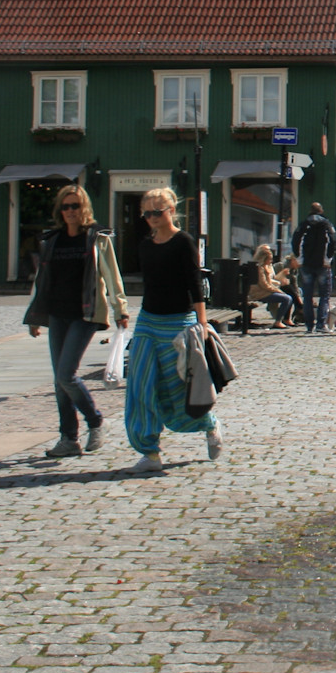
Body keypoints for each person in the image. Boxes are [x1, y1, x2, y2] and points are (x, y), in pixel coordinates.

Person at [24, 184, 128, 458]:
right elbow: (43, 280)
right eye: (66, 206)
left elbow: (111, 275)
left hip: (85, 313)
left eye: (75, 206)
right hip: (57, 313)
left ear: (84, 209)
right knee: (60, 381)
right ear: (60, 210)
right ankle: (69, 438)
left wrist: (121, 309)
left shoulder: (96, 238)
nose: (70, 211)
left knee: (66, 374)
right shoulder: (53, 239)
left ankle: (95, 420)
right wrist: (35, 314)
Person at [122, 187, 221, 472]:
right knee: (141, 385)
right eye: (147, 213)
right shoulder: (143, 244)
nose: (152, 217)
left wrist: (201, 323)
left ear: (171, 211)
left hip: (179, 321)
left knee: (178, 388)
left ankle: (210, 424)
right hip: (148, 321)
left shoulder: (183, 242)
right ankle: (149, 451)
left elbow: (195, 284)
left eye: (157, 211)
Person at [291, 202, 336, 334]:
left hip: (306, 264)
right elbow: (332, 240)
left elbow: (296, 241)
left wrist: (300, 259)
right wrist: (327, 259)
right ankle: (321, 324)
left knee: (307, 296)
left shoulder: (303, 224)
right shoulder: (326, 224)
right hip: (322, 264)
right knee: (324, 295)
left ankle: (309, 325)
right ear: (321, 211)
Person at [249, 245, 294, 327]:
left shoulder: (266, 267)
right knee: (287, 298)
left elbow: (269, 281)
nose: (271, 261)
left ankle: (285, 319)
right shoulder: (260, 268)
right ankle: (278, 321)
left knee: (289, 294)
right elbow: (264, 285)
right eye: (269, 259)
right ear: (264, 259)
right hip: (260, 293)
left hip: (265, 291)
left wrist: (278, 285)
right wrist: (277, 290)